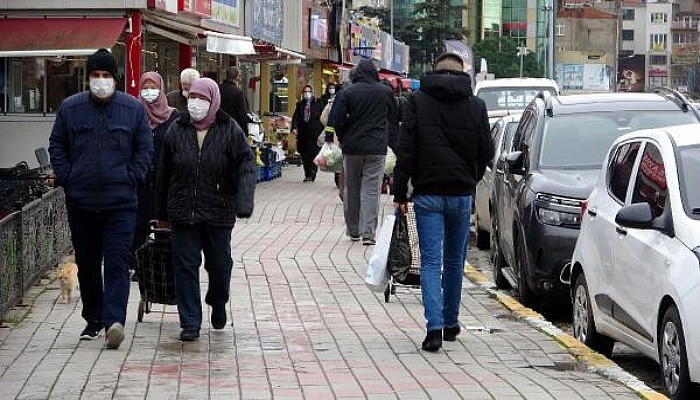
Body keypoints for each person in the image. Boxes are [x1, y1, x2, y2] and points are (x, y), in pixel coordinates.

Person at [48, 48, 153, 349]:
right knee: (88, 263)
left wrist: (132, 176)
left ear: (116, 79)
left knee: (118, 262)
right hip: (81, 202)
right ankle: (93, 319)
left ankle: (114, 322)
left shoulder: (132, 109)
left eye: (106, 75)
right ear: (88, 78)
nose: (100, 81)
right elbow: (57, 144)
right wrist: (68, 176)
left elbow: (144, 148)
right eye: (95, 75)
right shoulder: (71, 109)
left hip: (120, 203)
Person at [392, 53, 494, 352]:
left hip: (428, 194)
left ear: (434, 70)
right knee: (453, 261)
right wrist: (470, 179)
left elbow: (406, 150)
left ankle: (433, 328)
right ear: (462, 73)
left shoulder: (418, 102)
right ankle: (451, 323)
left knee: (431, 262)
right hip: (461, 195)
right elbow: (486, 151)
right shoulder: (476, 105)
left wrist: (400, 192)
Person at [156, 77, 255, 342]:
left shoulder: (230, 130)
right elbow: (164, 173)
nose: (196, 104)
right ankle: (190, 322)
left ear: (213, 101)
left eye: (202, 99)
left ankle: (218, 300)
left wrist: (244, 201)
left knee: (220, 266)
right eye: (193, 98)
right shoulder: (176, 130)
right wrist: (161, 214)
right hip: (183, 212)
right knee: (185, 267)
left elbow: (246, 166)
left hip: (218, 211)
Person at [333, 59, 396, 245]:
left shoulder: (347, 92)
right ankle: (368, 234)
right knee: (371, 190)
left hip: (352, 148)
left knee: (351, 188)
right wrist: (389, 141)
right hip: (376, 148)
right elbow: (393, 119)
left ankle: (353, 230)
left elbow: (337, 120)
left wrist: (343, 137)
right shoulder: (385, 92)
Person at [131, 71, 179, 280]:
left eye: (153, 88)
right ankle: (137, 265)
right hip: (140, 182)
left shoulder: (173, 117)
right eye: (145, 87)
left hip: (165, 182)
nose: (149, 92)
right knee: (138, 225)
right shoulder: (135, 114)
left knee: (163, 225)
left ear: (161, 89)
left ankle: (162, 265)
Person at [291, 84, 324, 182]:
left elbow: (322, 118)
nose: (307, 94)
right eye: (305, 92)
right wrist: (294, 127)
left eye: (308, 92)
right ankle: (307, 173)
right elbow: (296, 117)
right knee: (305, 155)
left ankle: (313, 171)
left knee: (313, 153)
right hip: (303, 134)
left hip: (315, 133)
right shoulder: (300, 105)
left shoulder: (318, 103)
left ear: (312, 93)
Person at [219, 66, 249, 136]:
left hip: (218, 128)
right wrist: (245, 132)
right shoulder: (238, 92)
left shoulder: (217, 89)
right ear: (237, 77)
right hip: (233, 130)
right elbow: (242, 114)